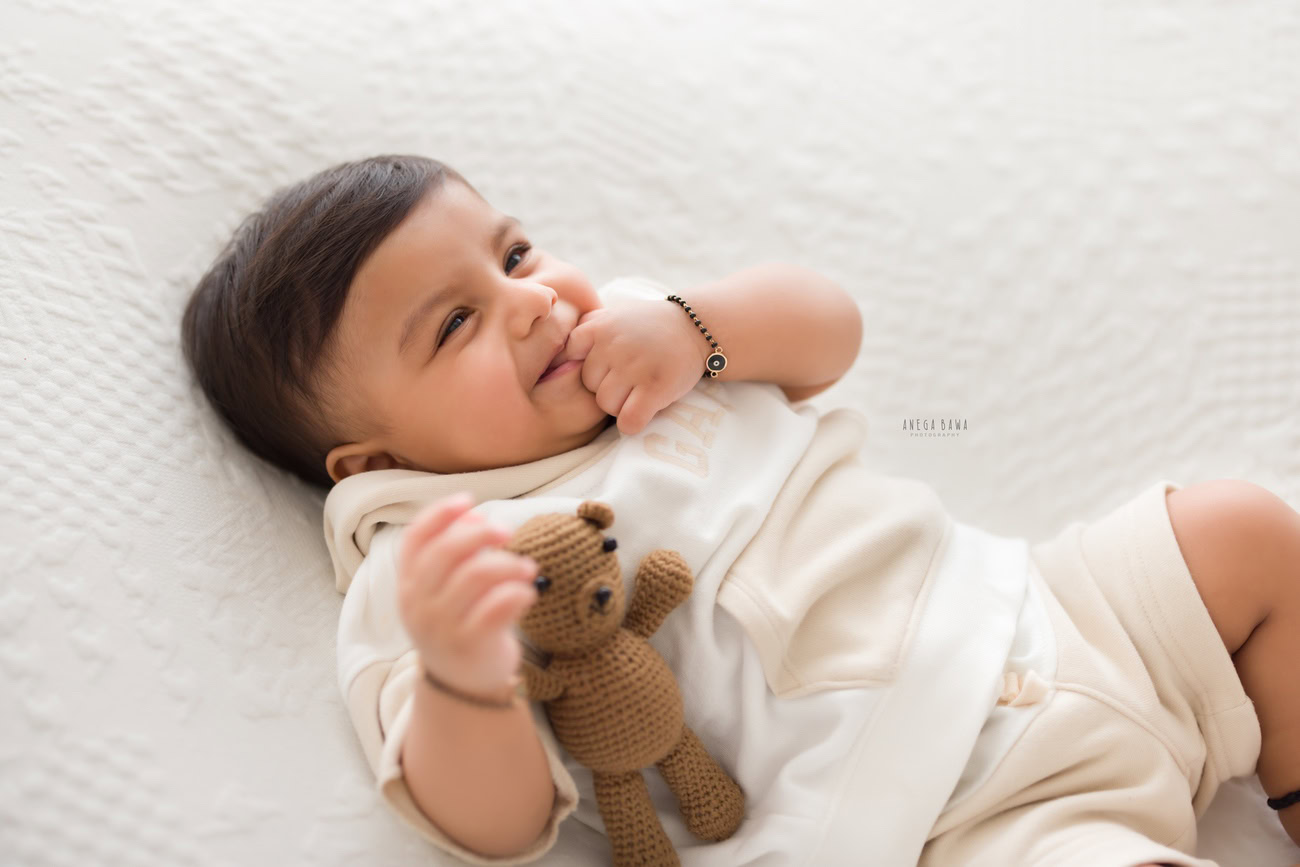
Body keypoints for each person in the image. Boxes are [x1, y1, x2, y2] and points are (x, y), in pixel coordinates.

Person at [180, 154, 1300, 866]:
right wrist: (460, 680)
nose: (530, 302)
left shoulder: (641, 341)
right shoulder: (429, 574)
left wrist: (694, 326)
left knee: (1242, 532)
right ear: (373, 458)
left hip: (1051, 613)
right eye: (454, 325)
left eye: (514, 252)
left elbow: (827, 328)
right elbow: (491, 825)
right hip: (932, 803)